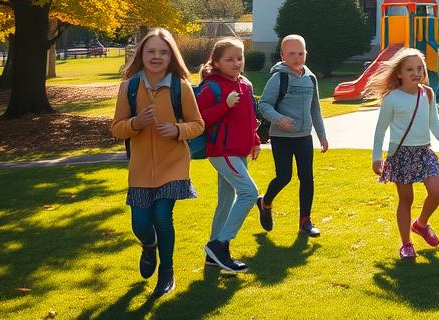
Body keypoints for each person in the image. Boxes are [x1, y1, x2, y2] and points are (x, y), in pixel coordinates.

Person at [111, 27, 204, 298]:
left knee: (163, 217)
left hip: (173, 165)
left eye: (163, 52)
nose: (156, 56)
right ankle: (149, 246)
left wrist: (178, 130)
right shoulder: (129, 87)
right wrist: (136, 123)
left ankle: (167, 272)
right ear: (141, 54)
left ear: (171, 56)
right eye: (151, 51)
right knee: (140, 224)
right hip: (140, 169)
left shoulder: (180, 86)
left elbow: (198, 124)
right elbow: (116, 128)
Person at [367, 48, 439, 259]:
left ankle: (421, 224)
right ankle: (406, 244)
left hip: (424, 151)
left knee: (437, 191)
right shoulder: (392, 98)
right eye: (410, 69)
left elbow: (434, 120)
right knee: (406, 199)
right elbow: (380, 130)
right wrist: (376, 158)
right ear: (399, 74)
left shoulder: (428, 93)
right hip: (401, 155)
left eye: (420, 68)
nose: (416, 72)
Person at [196, 37, 261, 273]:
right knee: (249, 192)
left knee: (225, 202)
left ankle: (213, 258)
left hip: (240, 152)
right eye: (229, 59)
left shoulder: (245, 84)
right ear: (217, 62)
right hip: (221, 152)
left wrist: (255, 140)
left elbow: (250, 119)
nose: (236, 63)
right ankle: (220, 244)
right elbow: (199, 121)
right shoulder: (211, 86)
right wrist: (225, 104)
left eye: (239, 58)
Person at [257, 34, 329, 237]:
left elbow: (315, 107)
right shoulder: (279, 77)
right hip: (282, 138)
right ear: (282, 55)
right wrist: (278, 118)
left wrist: (321, 134)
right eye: (292, 53)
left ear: (306, 54)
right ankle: (265, 202)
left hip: (304, 137)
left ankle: (305, 222)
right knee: (284, 177)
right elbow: (263, 104)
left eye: (301, 53)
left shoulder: (310, 77)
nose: (297, 57)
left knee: (307, 178)